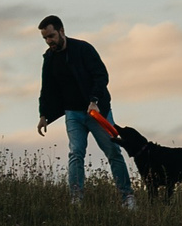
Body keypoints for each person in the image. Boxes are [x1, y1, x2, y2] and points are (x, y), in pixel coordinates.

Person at [33, 15, 136, 209]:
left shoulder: (83, 49)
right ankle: (76, 199)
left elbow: (101, 75)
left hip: (96, 112)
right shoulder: (49, 58)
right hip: (73, 114)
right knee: (76, 153)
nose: (49, 41)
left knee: (113, 151)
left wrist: (94, 101)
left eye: (52, 36)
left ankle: (127, 197)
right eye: (45, 38)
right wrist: (43, 114)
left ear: (62, 31)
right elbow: (46, 87)